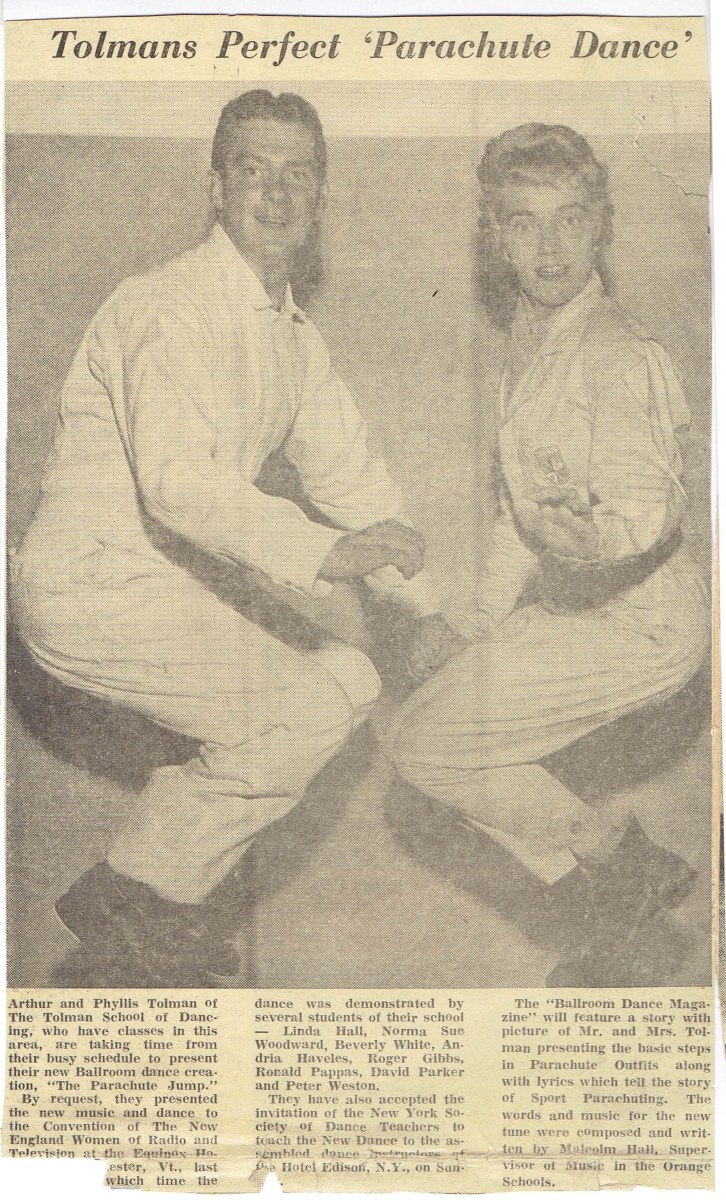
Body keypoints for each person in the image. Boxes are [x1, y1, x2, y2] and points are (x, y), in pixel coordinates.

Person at [10, 90, 437, 987]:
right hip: (91, 586)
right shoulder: (165, 304)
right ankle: (138, 897)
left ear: (320, 197)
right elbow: (178, 484)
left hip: (158, 585)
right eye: (252, 170)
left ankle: (136, 897)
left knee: (344, 685)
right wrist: (324, 554)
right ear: (215, 189)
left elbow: (355, 479)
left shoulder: (293, 339)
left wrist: (428, 610)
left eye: (298, 174)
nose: (276, 194)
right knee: (301, 706)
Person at [389, 123, 709, 985]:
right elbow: (514, 521)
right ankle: (614, 894)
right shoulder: (530, 350)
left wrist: (601, 536)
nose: (550, 246)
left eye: (570, 219)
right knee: (420, 740)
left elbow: (652, 496)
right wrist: (470, 624)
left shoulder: (616, 351)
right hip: (583, 612)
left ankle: (616, 865)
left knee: (426, 746)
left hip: (643, 621)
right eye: (524, 223)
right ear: (496, 237)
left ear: (602, 226)